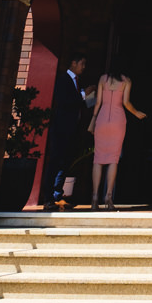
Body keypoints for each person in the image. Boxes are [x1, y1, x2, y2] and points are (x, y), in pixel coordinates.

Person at [90, 67, 146, 210]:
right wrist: (137, 113)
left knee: (98, 159)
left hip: (102, 119)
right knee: (113, 159)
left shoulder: (103, 79)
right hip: (118, 120)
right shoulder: (126, 81)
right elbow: (126, 103)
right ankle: (108, 196)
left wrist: (93, 120)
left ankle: (95, 196)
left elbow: (97, 103)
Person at [43, 54, 89, 208]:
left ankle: (57, 194)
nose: (83, 67)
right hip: (61, 129)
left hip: (72, 129)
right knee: (55, 162)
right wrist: (84, 94)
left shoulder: (77, 82)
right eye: (82, 63)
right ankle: (48, 197)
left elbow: (78, 104)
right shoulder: (64, 80)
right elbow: (65, 101)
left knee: (66, 162)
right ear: (73, 62)